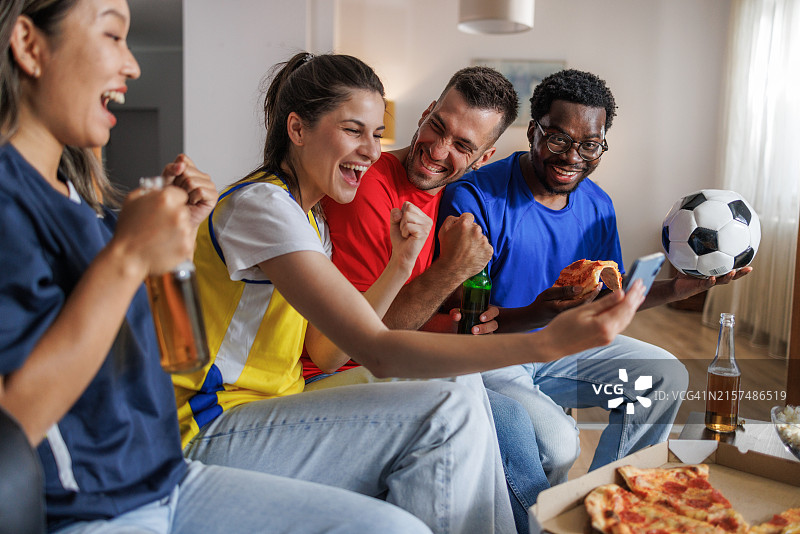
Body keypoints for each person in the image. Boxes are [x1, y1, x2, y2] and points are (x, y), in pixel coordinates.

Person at [0, 1, 439, 532]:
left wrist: (175, 258)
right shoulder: (13, 201)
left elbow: (172, 347)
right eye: (113, 36)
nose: (133, 65)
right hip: (96, 500)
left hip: (165, 474)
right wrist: (129, 257)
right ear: (28, 45)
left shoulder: (82, 204)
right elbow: (14, 418)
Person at [176, 53, 646, 534]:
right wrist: (547, 341)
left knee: (462, 396)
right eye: (353, 131)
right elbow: (374, 350)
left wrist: (405, 262)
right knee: (454, 407)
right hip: (214, 424)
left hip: (276, 402)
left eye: (376, 135)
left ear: (481, 157)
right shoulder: (264, 207)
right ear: (297, 130)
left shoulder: (309, 218)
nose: (372, 151)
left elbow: (328, 350)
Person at [438, 68, 751, 483]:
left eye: (590, 145)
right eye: (559, 139)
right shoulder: (475, 196)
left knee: (665, 374)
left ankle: (606, 496)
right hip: (496, 357)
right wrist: (539, 314)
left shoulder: (598, 204)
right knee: (558, 443)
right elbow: (465, 320)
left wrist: (678, 288)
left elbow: (609, 297)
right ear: (533, 131)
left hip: (564, 348)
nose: (573, 157)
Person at [303, 65, 551, 534]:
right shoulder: (368, 186)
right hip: (332, 370)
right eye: (438, 126)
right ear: (425, 113)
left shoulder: (451, 198)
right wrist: (450, 270)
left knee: (547, 437)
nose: (438, 150)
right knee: (511, 426)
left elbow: (414, 312)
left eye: (462, 146)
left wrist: (460, 317)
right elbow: (363, 343)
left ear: (484, 156)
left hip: (395, 359)